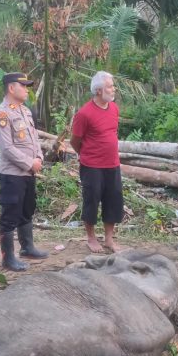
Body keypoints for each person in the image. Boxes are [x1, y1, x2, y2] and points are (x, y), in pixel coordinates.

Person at [0, 72, 47, 271]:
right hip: (12, 174)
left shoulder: (26, 111)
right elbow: (7, 148)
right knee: (10, 215)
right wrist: (29, 163)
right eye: (23, 86)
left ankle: (27, 247)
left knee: (26, 210)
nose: (27, 89)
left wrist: (39, 157)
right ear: (11, 88)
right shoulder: (2, 114)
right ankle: (8, 258)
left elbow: (34, 139)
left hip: (28, 173)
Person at [70, 71, 124, 253]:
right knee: (91, 201)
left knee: (113, 200)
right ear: (99, 90)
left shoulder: (114, 108)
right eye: (110, 86)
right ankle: (91, 238)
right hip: (92, 165)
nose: (113, 88)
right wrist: (85, 154)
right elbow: (75, 140)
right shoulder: (84, 114)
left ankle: (109, 238)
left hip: (112, 164)